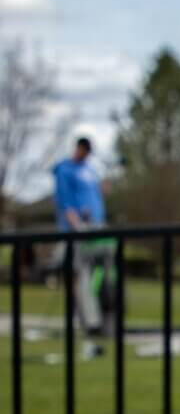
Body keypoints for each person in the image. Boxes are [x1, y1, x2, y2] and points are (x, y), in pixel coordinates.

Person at [53, 137, 109, 335]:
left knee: (104, 274)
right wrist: (78, 226)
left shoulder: (90, 170)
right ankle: (91, 322)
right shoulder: (65, 169)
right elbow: (65, 202)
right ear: (78, 148)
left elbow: (96, 197)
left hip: (97, 228)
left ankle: (105, 315)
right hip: (78, 232)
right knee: (83, 275)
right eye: (83, 150)